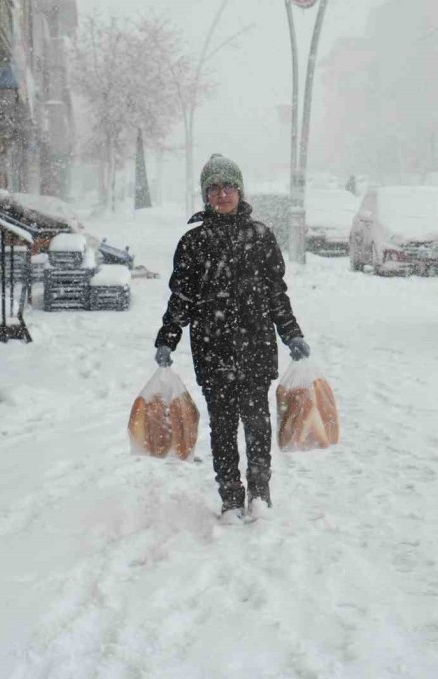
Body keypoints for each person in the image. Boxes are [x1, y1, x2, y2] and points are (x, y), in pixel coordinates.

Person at [154, 154, 312, 523]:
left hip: (256, 347)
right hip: (212, 349)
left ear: (240, 191)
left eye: (228, 187)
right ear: (205, 195)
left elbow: (276, 294)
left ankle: (259, 494)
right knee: (223, 426)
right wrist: (167, 338)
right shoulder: (193, 243)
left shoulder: (260, 237)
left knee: (257, 424)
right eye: (214, 188)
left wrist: (292, 334)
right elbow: (182, 298)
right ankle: (230, 498)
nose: (222, 194)